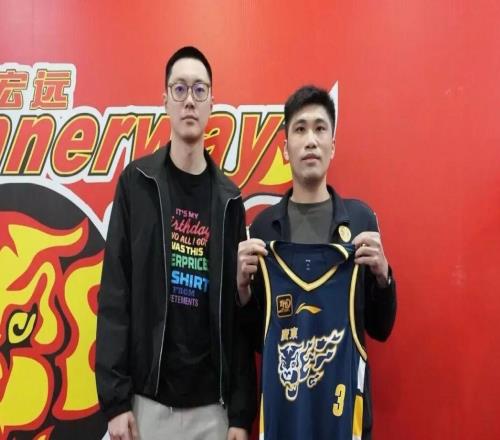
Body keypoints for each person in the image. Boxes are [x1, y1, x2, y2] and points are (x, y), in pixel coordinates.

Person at [96, 46, 256, 440]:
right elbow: (115, 293)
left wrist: (240, 414)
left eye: (199, 90)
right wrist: (116, 402)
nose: (189, 100)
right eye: (179, 88)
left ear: (211, 102)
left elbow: (237, 315)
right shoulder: (137, 184)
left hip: (213, 411)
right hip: (147, 405)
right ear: (165, 99)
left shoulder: (229, 200)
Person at [237, 85, 396, 440]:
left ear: (332, 145)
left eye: (320, 129)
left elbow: (381, 328)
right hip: (284, 421)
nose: (310, 140)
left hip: (342, 421)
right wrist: (242, 291)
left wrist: (383, 277)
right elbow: (258, 339)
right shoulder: (263, 230)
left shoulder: (360, 221)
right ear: (285, 148)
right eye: (300, 129)